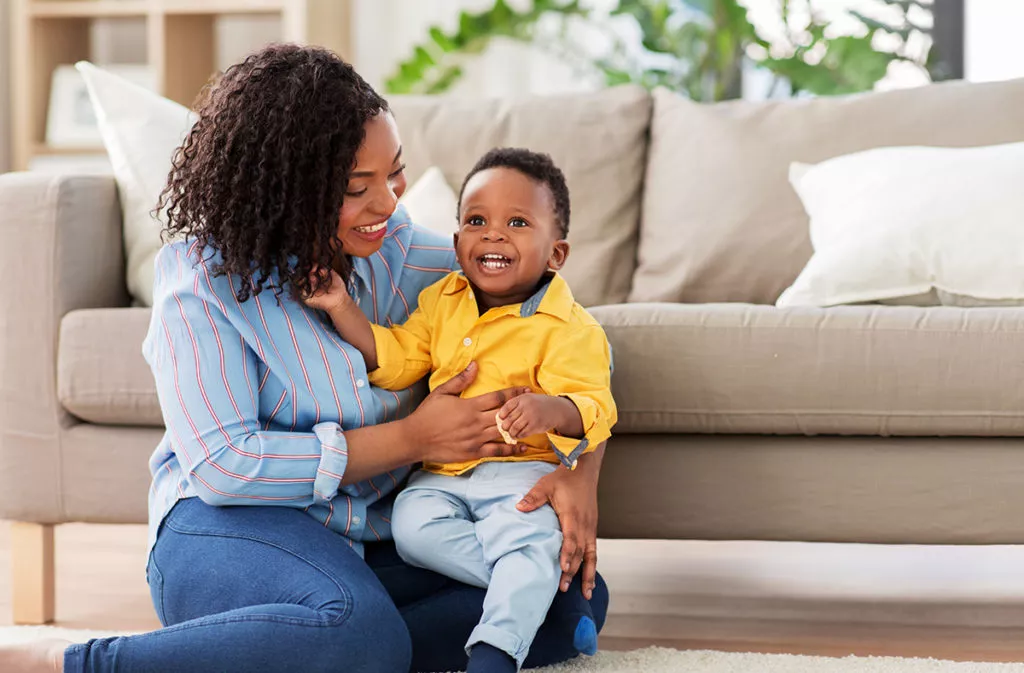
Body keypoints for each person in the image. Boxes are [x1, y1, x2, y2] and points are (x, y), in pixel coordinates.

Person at [0, 44, 608, 673]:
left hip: (368, 536)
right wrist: (411, 438)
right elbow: (224, 466)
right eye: (356, 188)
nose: (388, 204)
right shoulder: (203, 281)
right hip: (229, 527)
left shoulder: (414, 256)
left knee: (570, 602)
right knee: (363, 635)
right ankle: (65, 663)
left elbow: (569, 336)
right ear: (289, 191)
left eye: (395, 173)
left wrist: (580, 473)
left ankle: (306, 646)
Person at [305, 147, 616, 673]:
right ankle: (545, 593)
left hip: (520, 476)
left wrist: (551, 409)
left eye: (517, 223)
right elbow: (398, 357)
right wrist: (341, 306)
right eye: (476, 221)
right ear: (456, 244)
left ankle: (495, 653)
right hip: (441, 475)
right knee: (412, 530)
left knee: (527, 539)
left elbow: (593, 405)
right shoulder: (442, 301)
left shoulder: (570, 327)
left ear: (556, 253)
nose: (493, 235)